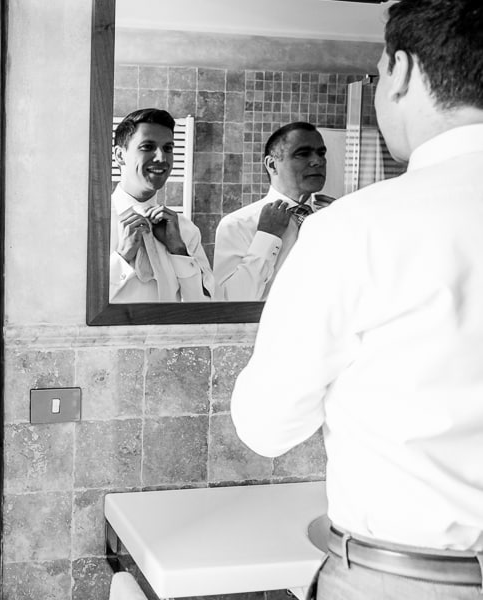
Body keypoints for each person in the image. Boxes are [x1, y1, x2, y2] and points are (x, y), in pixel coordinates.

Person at [230, 1, 483, 598]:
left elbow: (266, 428)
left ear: (398, 70)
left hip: (408, 581)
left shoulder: (354, 229)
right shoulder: (273, 224)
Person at [214, 122, 335, 301]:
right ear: (272, 164)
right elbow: (229, 302)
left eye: (321, 153)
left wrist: (345, 232)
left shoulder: (333, 219)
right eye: (303, 154)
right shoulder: (238, 224)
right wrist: (266, 239)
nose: (318, 161)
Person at [109, 108, 214, 302]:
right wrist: (122, 257)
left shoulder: (185, 231)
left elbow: (203, 310)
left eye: (168, 148)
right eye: (147, 146)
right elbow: (71, 305)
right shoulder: (92, 226)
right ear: (119, 155)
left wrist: (179, 251)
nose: (161, 158)